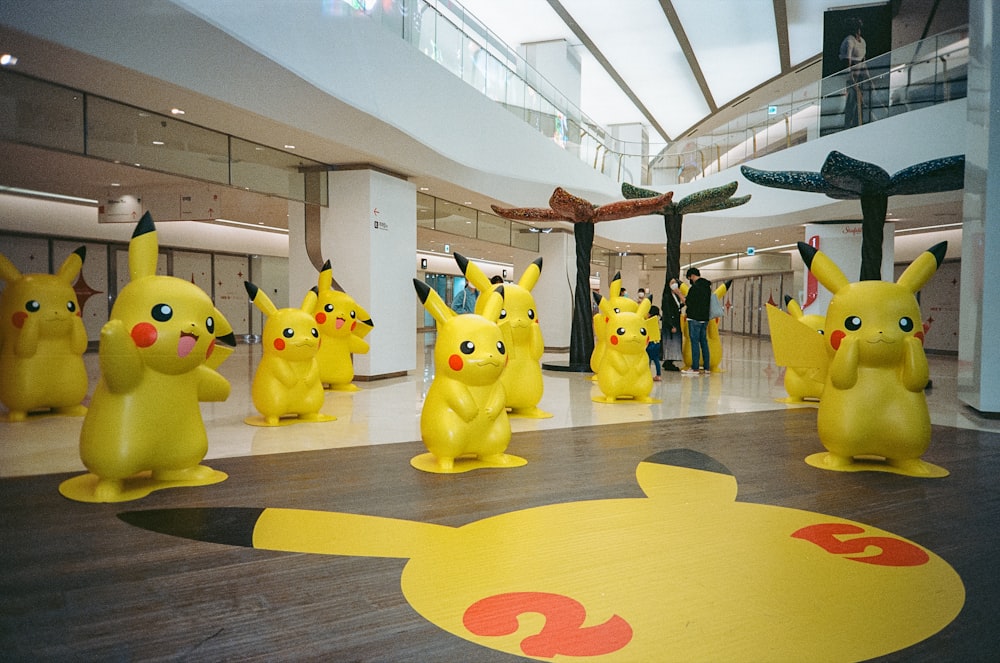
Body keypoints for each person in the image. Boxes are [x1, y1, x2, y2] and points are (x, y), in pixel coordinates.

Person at [673, 267, 712, 375]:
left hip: (694, 318)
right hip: (704, 318)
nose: (689, 280)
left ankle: (695, 368)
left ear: (692, 276)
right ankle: (707, 368)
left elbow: (688, 302)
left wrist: (678, 293)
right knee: (704, 342)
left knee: (694, 342)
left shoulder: (695, 288)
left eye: (689, 278)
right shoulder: (707, 287)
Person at [840, 16, 869, 129]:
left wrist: (869, 79)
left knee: (860, 103)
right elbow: (847, 67)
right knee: (851, 102)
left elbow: (864, 62)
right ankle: (847, 126)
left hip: (860, 77)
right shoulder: (848, 41)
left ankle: (858, 124)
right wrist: (854, 85)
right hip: (850, 79)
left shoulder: (862, 42)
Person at [645, 304, 662, 382]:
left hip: (651, 342)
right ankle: (658, 375)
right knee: (656, 359)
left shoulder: (649, 321)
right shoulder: (656, 320)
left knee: (648, 358)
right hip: (657, 342)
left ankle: (647, 374)